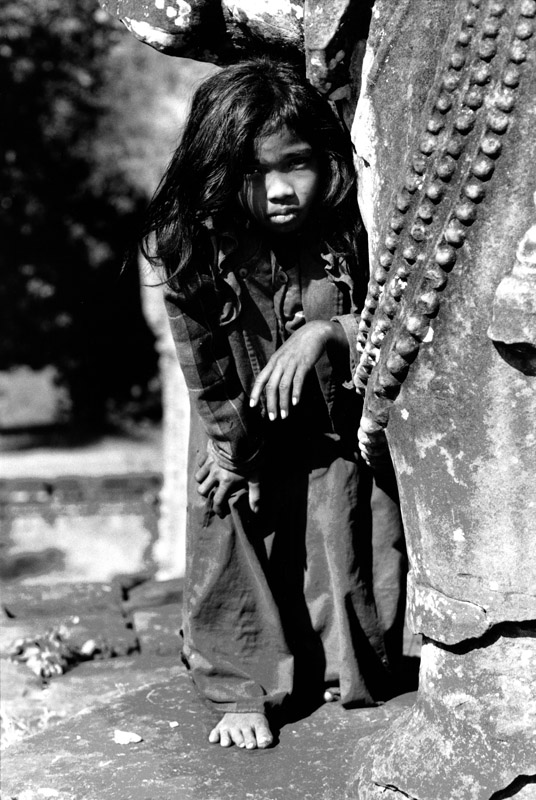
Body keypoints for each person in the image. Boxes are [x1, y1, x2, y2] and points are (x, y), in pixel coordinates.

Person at [140, 57, 405, 751]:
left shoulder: (350, 227)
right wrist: (231, 447)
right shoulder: (193, 244)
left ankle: (336, 663)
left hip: (335, 423)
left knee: (345, 531)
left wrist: (327, 331)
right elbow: (203, 364)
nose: (281, 191)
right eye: (256, 173)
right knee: (228, 514)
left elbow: (399, 319)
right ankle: (240, 684)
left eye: (297, 164)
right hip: (237, 421)